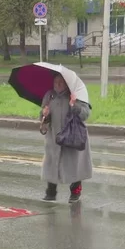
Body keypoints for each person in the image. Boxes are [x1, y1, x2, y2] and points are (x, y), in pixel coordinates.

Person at [40, 74, 93, 203]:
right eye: (55, 82)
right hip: (54, 137)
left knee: (74, 165)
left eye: (61, 82)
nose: (57, 85)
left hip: (72, 136)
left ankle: (75, 191)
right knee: (52, 163)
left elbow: (85, 114)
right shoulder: (49, 96)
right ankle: (51, 192)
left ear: (67, 83)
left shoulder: (75, 95)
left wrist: (74, 105)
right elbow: (42, 118)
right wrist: (44, 115)